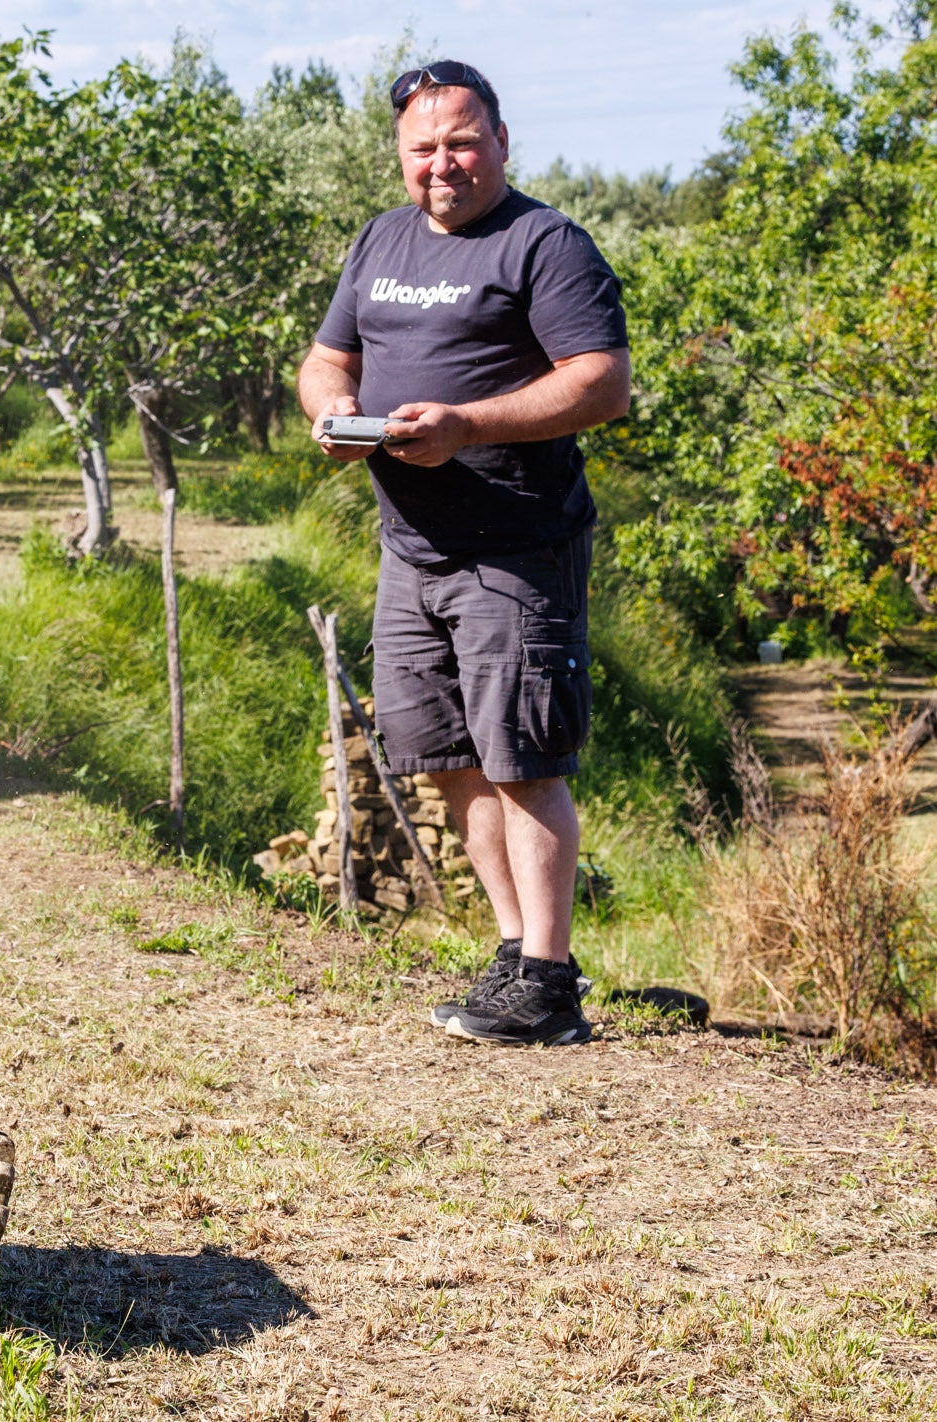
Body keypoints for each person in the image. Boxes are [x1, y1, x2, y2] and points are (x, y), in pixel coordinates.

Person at [297, 60, 630, 1046]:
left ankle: (551, 981)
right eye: (422, 149)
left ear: (500, 142)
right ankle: (516, 951)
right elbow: (327, 359)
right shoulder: (382, 239)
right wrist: (333, 415)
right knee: (448, 759)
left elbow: (601, 383)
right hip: (414, 553)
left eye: (460, 142)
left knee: (524, 758)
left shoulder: (546, 244)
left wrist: (468, 422)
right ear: (400, 157)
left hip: (516, 550)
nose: (441, 164)